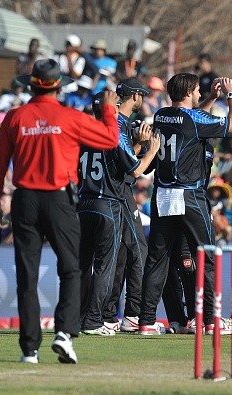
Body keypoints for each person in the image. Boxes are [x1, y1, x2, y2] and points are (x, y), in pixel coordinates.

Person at [0, 59, 120, 363]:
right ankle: (64, 334)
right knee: (71, 269)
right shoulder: (69, 117)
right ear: (58, 86)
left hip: (25, 201)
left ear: (31, 85)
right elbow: (110, 139)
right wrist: (110, 108)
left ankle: (29, 350)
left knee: (27, 276)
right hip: (59, 200)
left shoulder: (15, 117)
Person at [137, 73, 232, 335]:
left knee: (157, 260)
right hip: (189, 196)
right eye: (196, 91)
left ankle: (147, 322)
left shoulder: (161, 115)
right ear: (188, 92)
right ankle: (209, 320)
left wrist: (208, 99)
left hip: (161, 194)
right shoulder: (194, 119)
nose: (198, 95)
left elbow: (191, 120)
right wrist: (231, 95)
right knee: (206, 256)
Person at [78, 89, 160, 336]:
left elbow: (116, 163)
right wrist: (152, 149)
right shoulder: (112, 132)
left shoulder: (82, 132)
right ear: (109, 110)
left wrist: (134, 144)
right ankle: (94, 320)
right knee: (105, 266)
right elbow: (135, 170)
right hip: (108, 204)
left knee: (82, 265)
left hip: (83, 203)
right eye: (115, 104)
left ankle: (78, 316)